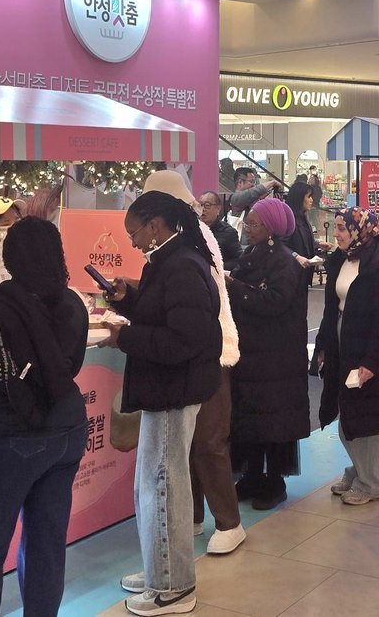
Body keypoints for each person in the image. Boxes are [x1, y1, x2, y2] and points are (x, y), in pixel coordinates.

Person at [0, 217, 90, 615]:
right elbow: (70, 368)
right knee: (46, 543)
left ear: (8, 258)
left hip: (15, 438)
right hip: (69, 431)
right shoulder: (73, 303)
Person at [104, 191, 223, 615]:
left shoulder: (182, 264)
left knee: (164, 487)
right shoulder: (167, 260)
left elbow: (183, 339)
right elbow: (164, 314)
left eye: (134, 233)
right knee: (152, 484)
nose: (133, 242)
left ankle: (174, 586)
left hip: (176, 389)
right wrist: (128, 300)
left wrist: (126, 337)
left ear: (155, 225)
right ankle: (160, 568)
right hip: (165, 388)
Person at [145, 172, 243, 558]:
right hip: (194, 352)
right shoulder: (179, 236)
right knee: (187, 444)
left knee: (208, 440)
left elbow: (198, 299)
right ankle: (195, 515)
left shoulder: (193, 238)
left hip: (210, 351)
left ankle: (229, 522)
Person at [313, 207, 379, 506]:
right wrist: (324, 343)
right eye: (336, 227)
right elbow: (331, 307)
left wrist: (371, 363)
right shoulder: (341, 259)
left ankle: (371, 483)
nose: (336, 233)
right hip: (342, 341)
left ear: (358, 230)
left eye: (342, 228)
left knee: (367, 418)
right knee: (346, 411)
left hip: (369, 348)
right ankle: (360, 470)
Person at [228, 198, 311, 511]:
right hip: (251, 353)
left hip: (277, 356)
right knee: (250, 417)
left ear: (271, 228)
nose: (248, 228)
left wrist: (234, 286)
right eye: (247, 223)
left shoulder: (285, 262)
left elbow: (274, 301)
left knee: (274, 420)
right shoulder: (251, 253)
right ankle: (251, 475)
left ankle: (274, 481)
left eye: (254, 224)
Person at [283, 179, 320, 284]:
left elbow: (302, 240)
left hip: (303, 274)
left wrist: (317, 243)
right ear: (299, 198)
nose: (311, 200)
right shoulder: (288, 219)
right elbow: (280, 245)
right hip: (289, 275)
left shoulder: (303, 217)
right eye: (309, 197)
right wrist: (296, 256)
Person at [198, 190, 242, 272]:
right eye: (200, 205)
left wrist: (216, 267)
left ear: (218, 209)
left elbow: (238, 260)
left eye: (207, 205)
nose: (203, 209)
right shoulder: (193, 229)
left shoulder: (229, 232)